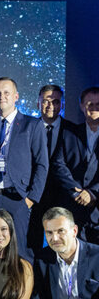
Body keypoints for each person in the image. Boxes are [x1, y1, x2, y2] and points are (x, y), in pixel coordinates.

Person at [0, 77, 48, 262]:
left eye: (6, 92)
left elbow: (42, 164)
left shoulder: (32, 125)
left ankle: (25, 283)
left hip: (17, 198)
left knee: (20, 252)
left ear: (16, 96)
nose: (1, 96)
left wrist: (31, 199)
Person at [28, 84, 76, 255]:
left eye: (55, 101)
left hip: (63, 197)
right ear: (38, 103)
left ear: (62, 104)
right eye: (46, 101)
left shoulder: (73, 131)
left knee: (61, 243)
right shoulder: (27, 128)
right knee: (31, 242)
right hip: (33, 196)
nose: (51, 106)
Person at [52, 86, 99, 244]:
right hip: (73, 209)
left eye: (98, 104)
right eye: (90, 104)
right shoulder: (68, 133)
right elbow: (58, 165)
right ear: (81, 106)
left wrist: (92, 193)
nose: (94, 108)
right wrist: (76, 191)